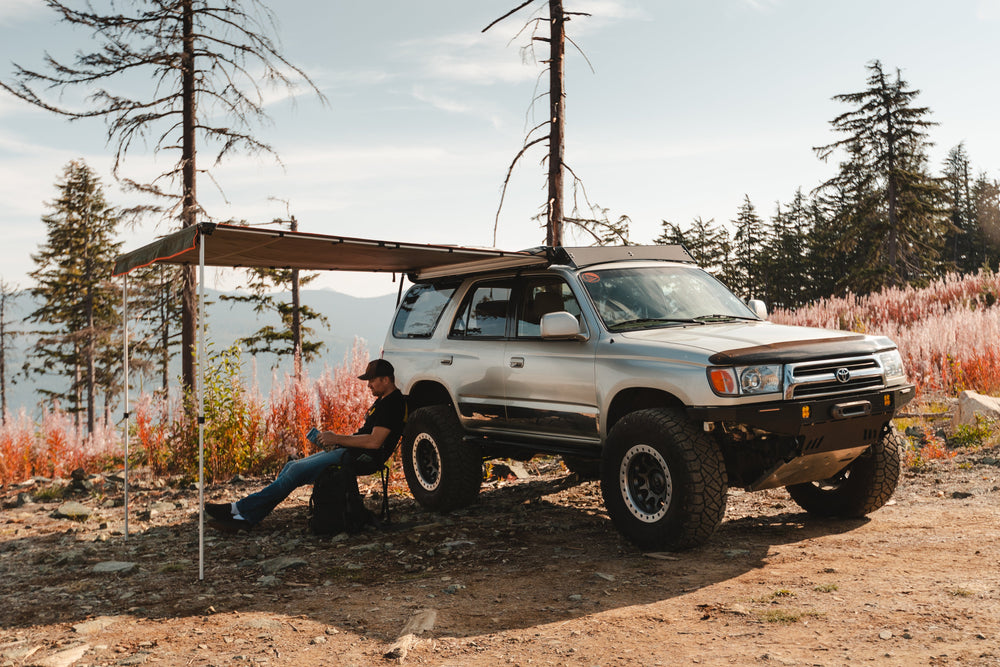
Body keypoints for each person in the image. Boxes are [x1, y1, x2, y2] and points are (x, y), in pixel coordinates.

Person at [205, 359, 406, 531]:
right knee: (291, 466)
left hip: (362, 458)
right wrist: (335, 441)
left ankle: (238, 510)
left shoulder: (392, 404)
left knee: (295, 471)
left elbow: (374, 441)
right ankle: (245, 518)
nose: (368, 385)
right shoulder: (383, 400)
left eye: (372, 380)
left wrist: (336, 439)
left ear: (386, 379)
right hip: (350, 451)